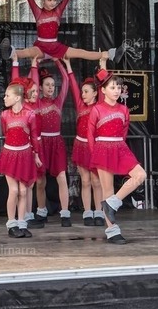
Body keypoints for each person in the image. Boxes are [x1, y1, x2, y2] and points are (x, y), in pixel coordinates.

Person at [2, 0, 122, 63]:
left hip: (56, 47)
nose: (53, 2)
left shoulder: (57, 11)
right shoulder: (38, 12)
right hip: (41, 47)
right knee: (27, 52)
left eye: (55, 0)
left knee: (81, 52)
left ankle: (111, 54)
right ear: (43, 1)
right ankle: (9, 52)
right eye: (50, 0)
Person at [87, 69, 146, 245]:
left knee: (140, 175)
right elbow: (90, 134)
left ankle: (112, 203)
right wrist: (95, 154)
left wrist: (119, 147)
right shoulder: (97, 109)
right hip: (102, 149)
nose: (116, 90)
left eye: (119, 87)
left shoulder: (124, 109)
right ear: (103, 90)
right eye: (112, 87)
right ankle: (112, 231)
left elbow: (124, 131)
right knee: (108, 189)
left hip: (120, 147)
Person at [0, 79, 42, 238]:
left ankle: (22, 223)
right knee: (14, 190)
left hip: (25, 155)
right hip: (9, 154)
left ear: (17, 98)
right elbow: (6, 133)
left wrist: (36, 154)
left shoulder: (30, 114)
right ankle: (11, 224)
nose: (4, 98)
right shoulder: (4, 115)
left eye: (7, 95)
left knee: (23, 190)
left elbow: (34, 136)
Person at [32, 58, 72, 227]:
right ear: (40, 87)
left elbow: (66, 82)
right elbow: (33, 82)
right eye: (47, 85)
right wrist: (35, 64)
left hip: (56, 143)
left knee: (61, 177)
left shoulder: (58, 102)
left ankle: (65, 214)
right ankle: (41, 213)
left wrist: (59, 62)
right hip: (42, 144)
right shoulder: (37, 103)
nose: (51, 88)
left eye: (53, 85)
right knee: (40, 180)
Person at [68, 62, 105, 227]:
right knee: (85, 181)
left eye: (86, 92)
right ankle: (87, 212)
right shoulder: (80, 105)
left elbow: (104, 83)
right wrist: (68, 66)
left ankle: (99, 212)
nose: (83, 94)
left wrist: (103, 64)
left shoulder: (100, 105)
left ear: (95, 93)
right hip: (81, 146)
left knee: (97, 181)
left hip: (95, 147)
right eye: (82, 92)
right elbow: (73, 85)